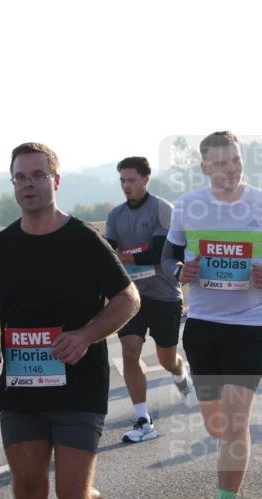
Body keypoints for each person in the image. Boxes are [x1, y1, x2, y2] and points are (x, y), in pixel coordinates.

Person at [0, 142, 139, 499]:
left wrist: (85, 335)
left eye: (37, 176)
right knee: (27, 494)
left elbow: (128, 299)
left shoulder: (83, 240)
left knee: (72, 497)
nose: (28, 185)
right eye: (20, 177)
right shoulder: (2, 245)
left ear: (55, 181)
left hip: (78, 384)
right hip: (22, 387)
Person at [162, 131, 262, 499]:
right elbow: (168, 257)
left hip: (250, 325)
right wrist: (179, 272)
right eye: (221, 163)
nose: (231, 168)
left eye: (235, 160)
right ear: (205, 168)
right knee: (216, 425)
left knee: (236, 424)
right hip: (202, 325)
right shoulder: (188, 207)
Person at [104, 156, 197, 445]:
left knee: (166, 359)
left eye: (131, 180)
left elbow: (159, 252)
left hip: (163, 294)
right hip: (130, 297)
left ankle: (181, 374)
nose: (126, 185)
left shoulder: (162, 209)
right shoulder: (115, 216)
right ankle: (143, 419)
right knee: (130, 351)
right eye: (122, 180)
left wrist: (123, 258)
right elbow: (109, 252)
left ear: (145, 179)